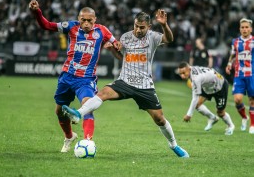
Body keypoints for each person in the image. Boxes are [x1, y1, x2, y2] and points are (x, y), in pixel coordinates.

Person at [63, 10, 189, 158]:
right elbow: (122, 57)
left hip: (144, 85)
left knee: (159, 119)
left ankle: (174, 145)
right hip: (125, 81)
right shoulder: (126, 37)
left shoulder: (153, 37)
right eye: (136, 26)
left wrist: (164, 25)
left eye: (142, 27)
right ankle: (79, 113)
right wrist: (112, 51)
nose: (138, 29)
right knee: (102, 93)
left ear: (148, 26)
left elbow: (169, 39)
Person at [29, 0, 122, 153]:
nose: (86, 23)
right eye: (83, 20)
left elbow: (119, 55)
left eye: (89, 20)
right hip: (67, 76)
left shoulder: (103, 31)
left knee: (88, 106)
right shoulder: (71, 27)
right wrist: (37, 12)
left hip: (86, 79)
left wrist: (112, 49)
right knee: (59, 111)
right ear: (79, 19)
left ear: (95, 19)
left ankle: (87, 142)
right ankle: (69, 136)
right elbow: (46, 25)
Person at [178, 61, 235, 135]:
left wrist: (189, 115)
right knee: (197, 105)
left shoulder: (196, 78)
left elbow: (195, 98)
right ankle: (212, 118)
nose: (182, 76)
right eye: (180, 74)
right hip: (208, 86)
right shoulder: (191, 70)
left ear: (189, 69)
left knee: (220, 113)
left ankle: (231, 126)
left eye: (183, 73)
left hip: (220, 86)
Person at [225, 18, 254, 134]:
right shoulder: (235, 41)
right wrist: (229, 64)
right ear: (240, 29)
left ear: (251, 29)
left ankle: (252, 125)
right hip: (239, 74)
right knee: (237, 99)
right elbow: (233, 54)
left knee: (252, 100)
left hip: (252, 74)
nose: (245, 29)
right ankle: (244, 117)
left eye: (247, 27)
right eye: (242, 27)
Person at [186, 37, 219, 131]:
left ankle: (214, 118)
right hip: (197, 76)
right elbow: (191, 60)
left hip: (206, 77)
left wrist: (209, 67)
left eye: (197, 42)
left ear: (201, 42)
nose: (196, 43)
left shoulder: (206, 50)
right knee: (197, 103)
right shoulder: (194, 50)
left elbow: (210, 59)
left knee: (197, 101)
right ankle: (212, 118)